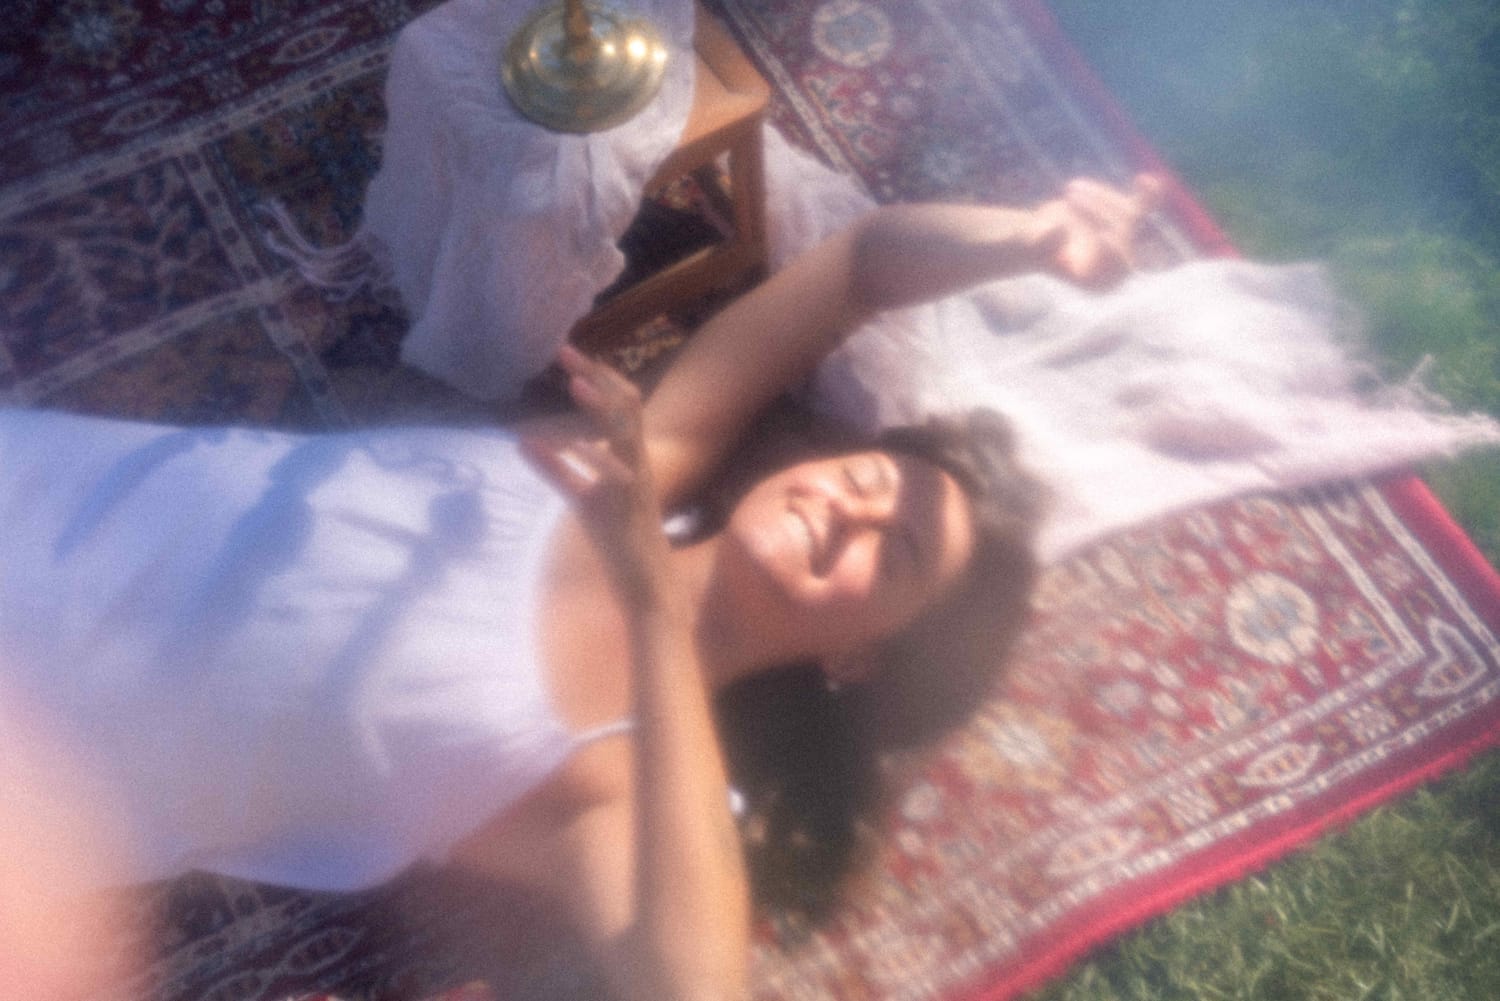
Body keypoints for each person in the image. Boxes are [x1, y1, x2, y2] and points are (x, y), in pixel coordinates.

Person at [0, 175, 1158, 1000]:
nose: (852, 506)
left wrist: (652, 597)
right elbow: (861, 264)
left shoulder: (620, 780)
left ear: (859, 655)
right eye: (866, 477)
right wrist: (1030, 238)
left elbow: (694, 980)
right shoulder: (642, 457)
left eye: (891, 550)